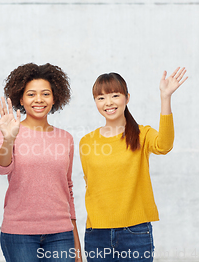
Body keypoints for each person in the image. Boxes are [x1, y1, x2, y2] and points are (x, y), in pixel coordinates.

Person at [79, 68, 188, 261]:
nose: (109, 103)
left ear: (127, 98)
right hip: (97, 233)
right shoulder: (87, 142)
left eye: (115, 95)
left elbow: (164, 145)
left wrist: (165, 98)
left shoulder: (141, 134)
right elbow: (92, 185)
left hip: (135, 232)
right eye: (101, 98)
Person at [0, 63, 82, 262]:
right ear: (20, 99)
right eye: (31, 94)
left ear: (54, 97)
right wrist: (9, 139)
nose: (38, 100)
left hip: (61, 233)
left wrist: (75, 240)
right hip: (19, 233)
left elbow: (68, 187)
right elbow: (0, 168)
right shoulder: (8, 131)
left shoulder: (65, 138)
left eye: (45, 94)